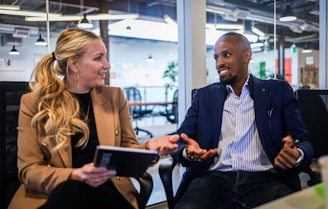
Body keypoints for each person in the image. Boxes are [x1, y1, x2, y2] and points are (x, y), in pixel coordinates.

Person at [8, 28, 179, 209]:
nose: (107, 65)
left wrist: (150, 148)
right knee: (72, 190)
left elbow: (128, 150)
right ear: (74, 65)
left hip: (108, 190)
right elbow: (29, 171)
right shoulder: (35, 103)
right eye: (98, 58)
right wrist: (76, 175)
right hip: (55, 194)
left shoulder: (114, 97)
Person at [172, 32, 314, 209]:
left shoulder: (277, 91)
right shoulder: (204, 96)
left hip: (266, 179)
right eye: (216, 57)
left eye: (227, 55)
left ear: (246, 56)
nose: (219, 63)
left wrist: (297, 155)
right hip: (213, 180)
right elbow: (179, 140)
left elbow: (304, 141)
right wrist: (188, 151)